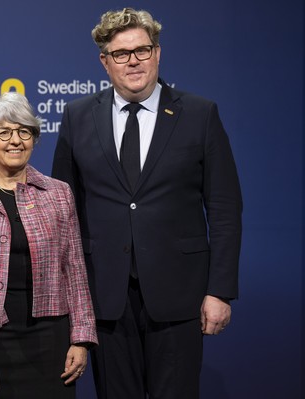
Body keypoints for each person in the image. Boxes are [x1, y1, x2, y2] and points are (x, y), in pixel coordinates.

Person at [52, 8, 242, 399]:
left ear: (158, 53)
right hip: (105, 296)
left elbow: (224, 207)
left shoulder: (200, 114)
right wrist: (72, 297)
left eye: (143, 49)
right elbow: (63, 212)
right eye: (121, 53)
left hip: (180, 295)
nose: (133, 60)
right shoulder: (77, 116)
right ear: (104, 61)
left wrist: (220, 290)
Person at [0, 92, 98, 398]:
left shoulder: (59, 193)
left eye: (24, 131)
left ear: (34, 139)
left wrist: (81, 338)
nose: (15, 140)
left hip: (51, 341)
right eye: (3, 132)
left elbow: (75, 269)